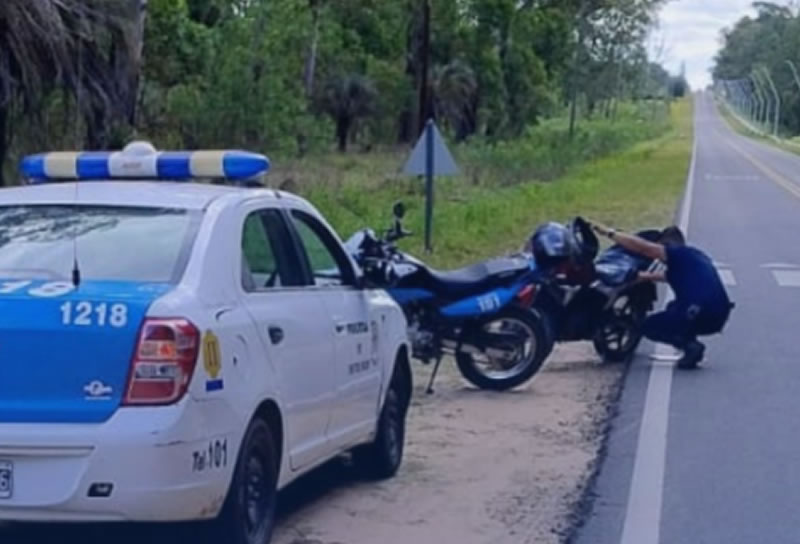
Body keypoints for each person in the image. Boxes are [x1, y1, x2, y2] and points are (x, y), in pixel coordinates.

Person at [588, 222, 733, 369]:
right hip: (718, 317)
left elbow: (643, 248)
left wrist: (609, 233)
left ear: (665, 244)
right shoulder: (694, 257)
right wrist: (640, 276)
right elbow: (664, 276)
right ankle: (688, 341)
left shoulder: (675, 253)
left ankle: (689, 345)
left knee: (648, 326)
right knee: (673, 307)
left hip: (698, 311)